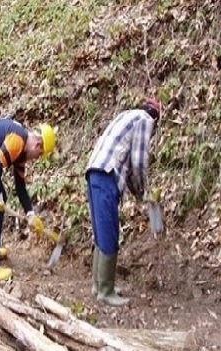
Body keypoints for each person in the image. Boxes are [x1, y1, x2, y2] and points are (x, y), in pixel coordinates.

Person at [86, 97, 162, 306]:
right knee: (110, 231)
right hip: (107, 176)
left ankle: (98, 284)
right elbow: (138, 163)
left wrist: (137, 193)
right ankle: (106, 291)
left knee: (101, 230)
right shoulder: (145, 120)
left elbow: (126, 162)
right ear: (155, 118)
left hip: (94, 171)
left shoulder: (126, 115)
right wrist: (142, 191)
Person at [0, 117, 57, 282]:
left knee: (0, 201)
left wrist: (30, 214)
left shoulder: (22, 153)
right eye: (39, 155)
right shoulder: (17, 140)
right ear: (38, 146)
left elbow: (20, 187)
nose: (36, 158)